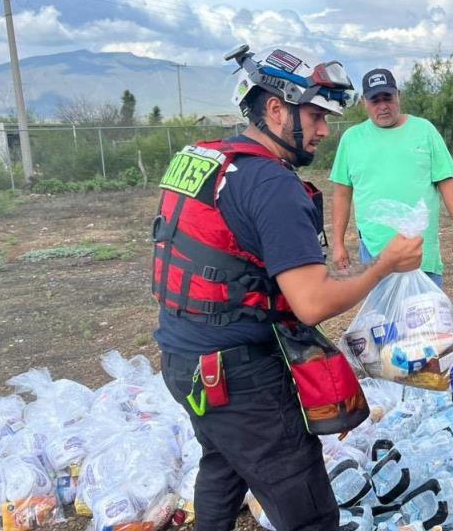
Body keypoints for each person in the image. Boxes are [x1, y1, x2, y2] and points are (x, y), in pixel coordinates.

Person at [151, 45, 422, 531]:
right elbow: (312, 303)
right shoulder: (272, 185)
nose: (324, 130)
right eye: (316, 115)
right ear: (275, 109)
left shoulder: (206, 159)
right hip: (239, 377)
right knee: (309, 510)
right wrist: (383, 266)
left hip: (183, 358)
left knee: (223, 464)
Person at [329, 67, 453, 288]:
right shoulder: (351, 139)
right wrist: (338, 243)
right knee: (384, 318)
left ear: (399, 96)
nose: (383, 106)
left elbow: (446, 182)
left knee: (429, 317)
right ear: (364, 101)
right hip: (375, 250)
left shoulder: (424, 130)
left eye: (388, 98)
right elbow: (342, 195)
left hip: (420, 250)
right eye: (375, 100)